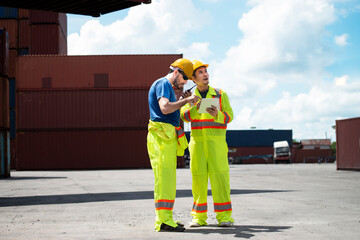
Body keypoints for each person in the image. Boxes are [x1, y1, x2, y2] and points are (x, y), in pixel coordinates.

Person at [147, 58, 200, 232]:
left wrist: (182, 100)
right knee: (164, 179)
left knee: (168, 180)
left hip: (165, 137)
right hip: (162, 137)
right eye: (185, 78)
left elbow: (170, 107)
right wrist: (186, 101)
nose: (185, 82)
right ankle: (162, 221)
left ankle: (166, 218)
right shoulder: (163, 84)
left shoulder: (168, 87)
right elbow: (165, 108)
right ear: (176, 72)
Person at [180, 60, 234, 227]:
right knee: (198, 181)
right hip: (197, 145)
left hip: (216, 145)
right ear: (194, 79)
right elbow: (185, 117)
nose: (206, 75)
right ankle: (198, 217)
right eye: (201, 72)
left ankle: (224, 217)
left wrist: (217, 114)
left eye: (206, 72)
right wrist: (194, 105)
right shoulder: (188, 97)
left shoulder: (219, 94)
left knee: (221, 180)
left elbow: (229, 116)